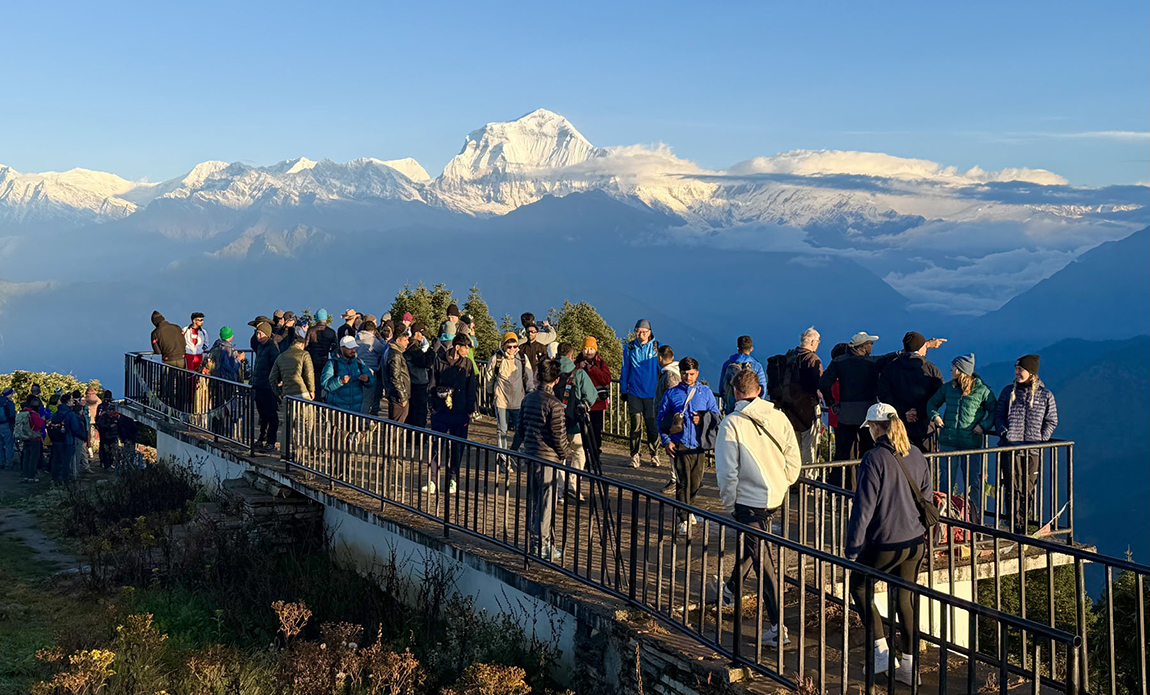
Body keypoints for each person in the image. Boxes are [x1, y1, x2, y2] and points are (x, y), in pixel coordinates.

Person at [709, 367, 800, 647]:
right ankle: (730, 590)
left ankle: (777, 628)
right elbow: (793, 459)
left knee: (764, 562)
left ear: (735, 392)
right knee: (755, 547)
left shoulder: (732, 423)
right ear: (759, 390)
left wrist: (729, 502)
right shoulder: (778, 417)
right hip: (773, 497)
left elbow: (726, 471)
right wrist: (782, 482)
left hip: (748, 501)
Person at [845, 402, 930, 685]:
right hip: (915, 541)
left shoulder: (873, 458)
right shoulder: (916, 454)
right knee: (904, 598)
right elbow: (927, 500)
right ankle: (908, 666)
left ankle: (880, 651)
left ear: (875, 427)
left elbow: (864, 509)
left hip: (884, 542)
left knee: (859, 585)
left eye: (869, 427)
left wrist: (853, 549)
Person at [819, 332, 899, 487]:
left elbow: (824, 382)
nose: (872, 346)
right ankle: (866, 487)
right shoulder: (871, 363)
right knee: (868, 452)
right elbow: (885, 358)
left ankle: (838, 488)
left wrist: (831, 403)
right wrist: (900, 353)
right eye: (870, 344)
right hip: (867, 415)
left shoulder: (839, 362)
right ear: (863, 346)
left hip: (846, 414)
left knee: (843, 453)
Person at [993, 354, 1058, 534]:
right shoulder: (1008, 392)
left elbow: (1052, 420)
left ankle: (1023, 524)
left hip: (1032, 450)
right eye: (1016, 369)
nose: (1016, 373)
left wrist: (1041, 439)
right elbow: (998, 414)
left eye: (1020, 370)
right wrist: (1004, 433)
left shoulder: (1045, 395)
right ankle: (1013, 524)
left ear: (1031, 372)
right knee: (1011, 486)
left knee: (1028, 488)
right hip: (1011, 447)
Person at [927, 354, 997, 521]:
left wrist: (984, 425)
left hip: (970, 443)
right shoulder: (948, 388)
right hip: (948, 441)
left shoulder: (982, 391)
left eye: (954, 367)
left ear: (962, 370)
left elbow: (994, 411)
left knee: (973, 482)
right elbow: (932, 403)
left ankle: (974, 520)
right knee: (946, 482)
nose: (951, 370)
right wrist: (935, 416)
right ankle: (946, 519)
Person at [656, 357, 721, 535]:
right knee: (683, 482)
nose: (688, 377)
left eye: (691, 374)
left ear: (697, 373)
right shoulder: (671, 394)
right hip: (680, 443)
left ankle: (688, 507)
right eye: (684, 373)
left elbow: (716, 416)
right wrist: (666, 440)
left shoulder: (705, 392)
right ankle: (683, 518)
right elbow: (661, 418)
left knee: (696, 482)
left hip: (699, 444)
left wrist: (702, 417)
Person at [515, 358, 568, 562]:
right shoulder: (555, 405)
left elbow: (520, 428)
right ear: (555, 380)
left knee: (535, 501)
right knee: (547, 503)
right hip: (548, 459)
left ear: (537, 376)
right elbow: (558, 436)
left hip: (530, 454)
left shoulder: (527, 399)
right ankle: (543, 545)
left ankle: (535, 541)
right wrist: (564, 454)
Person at [876, 332, 946, 452]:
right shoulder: (930, 369)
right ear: (921, 348)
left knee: (900, 459)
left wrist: (903, 412)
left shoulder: (890, 369)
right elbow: (939, 396)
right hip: (924, 427)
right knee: (924, 461)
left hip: (898, 425)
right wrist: (920, 411)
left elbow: (884, 395)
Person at [425, 335, 477, 494]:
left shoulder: (467, 364)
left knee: (457, 447)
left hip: (460, 413)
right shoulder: (439, 361)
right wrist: (434, 404)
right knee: (436, 446)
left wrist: (469, 410)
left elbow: (472, 388)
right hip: (441, 411)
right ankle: (433, 480)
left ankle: (452, 478)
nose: (468, 351)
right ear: (457, 347)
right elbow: (432, 384)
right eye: (465, 347)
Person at [769, 327, 824, 465]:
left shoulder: (790, 357)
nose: (818, 344)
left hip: (788, 409)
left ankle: (794, 480)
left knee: (793, 446)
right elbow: (818, 384)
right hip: (807, 410)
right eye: (818, 341)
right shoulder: (812, 359)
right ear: (812, 342)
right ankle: (809, 483)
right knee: (809, 447)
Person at [554, 342, 598, 500]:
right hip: (572, 421)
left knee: (558, 455)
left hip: (554, 421)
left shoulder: (550, 370)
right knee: (579, 453)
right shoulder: (578, 373)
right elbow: (592, 395)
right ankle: (572, 484)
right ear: (571, 356)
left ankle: (558, 489)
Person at [621, 319, 661, 469]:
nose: (641, 334)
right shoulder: (629, 348)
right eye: (638, 331)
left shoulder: (657, 348)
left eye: (644, 332)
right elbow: (625, 369)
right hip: (635, 393)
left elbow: (662, 370)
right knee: (635, 426)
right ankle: (634, 455)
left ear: (650, 332)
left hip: (652, 394)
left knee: (652, 426)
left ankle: (654, 454)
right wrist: (624, 390)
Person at [486, 332, 535, 454]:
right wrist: (491, 394)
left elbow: (529, 377)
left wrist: (530, 392)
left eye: (515, 346)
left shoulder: (522, 358)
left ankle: (512, 451)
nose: (512, 349)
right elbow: (489, 379)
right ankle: (503, 456)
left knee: (521, 430)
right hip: (501, 400)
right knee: (502, 430)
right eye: (509, 346)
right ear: (503, 346)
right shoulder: (496, 359)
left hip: (519, 401)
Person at [270, 331, 315, 448]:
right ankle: (309, 447)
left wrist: (279, 393)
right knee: (308, 422)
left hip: (288, 394)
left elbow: (272, 377)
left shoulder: (281, 356)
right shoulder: (304, 354)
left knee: (288, 425)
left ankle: (285, 452)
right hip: (303, 393)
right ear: (302, 345)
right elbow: (309, 373)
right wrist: (312, 390)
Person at [574, 337, 612, 460]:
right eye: (586, 349)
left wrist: (593, 369)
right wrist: (579, 368)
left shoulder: (601, 364)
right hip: (581, 404)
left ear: (595, 350)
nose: (588, 351)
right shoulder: (577, 363)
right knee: (583, 432)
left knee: (596, 431)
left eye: (591, 349)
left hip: (597, 404)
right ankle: (584, 456)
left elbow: (606, 379)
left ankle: (595, 455)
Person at [322, 336, 375, 414]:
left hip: (356, 410)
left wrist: (367, 380)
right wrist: (340, 381)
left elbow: (372, 381)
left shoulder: (359, 363)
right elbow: (325, 384)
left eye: (354, 348)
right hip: (337, 409)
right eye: (350, 348)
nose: (353, 351)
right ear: (342, 348)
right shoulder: (332, 363)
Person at [653, 344, 681, 489]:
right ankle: (678, 477)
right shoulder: (676, 371)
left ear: (660, 357)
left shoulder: (669, 375)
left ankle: (675, 479)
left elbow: (672, 396)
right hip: (673, 418)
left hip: (670, 418)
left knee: (671, 448)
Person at [250, 322, 280, 452]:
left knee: (271, 414)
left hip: (268, 386)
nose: (258, 335)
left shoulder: (272, 348)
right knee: (262, 415)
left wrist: (276, 382)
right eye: (257, 333)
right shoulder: (261, 347)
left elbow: (276, 367)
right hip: (258, 384)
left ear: (267, 334)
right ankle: (262, 438)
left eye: (260, 333)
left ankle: (271, 441)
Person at [719, 336, 768, 413]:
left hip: (732, 407)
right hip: (751, 407)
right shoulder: (757, 366)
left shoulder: (727, 364)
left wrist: (728, 401)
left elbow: (722, 388)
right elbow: (763, 388)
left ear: (738, 348)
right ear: (751, 349)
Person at [48, 392, 87, 483]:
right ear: (68, 402)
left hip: (56, 439)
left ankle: (54, 478)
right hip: (67, 440)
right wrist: (83, 436)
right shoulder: (70, 414)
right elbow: (75, 428)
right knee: (66, 461)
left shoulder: (57, 413)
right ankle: (65, 480)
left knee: (56, 460)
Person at [405, 322, 434, 429]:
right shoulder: (414, 347)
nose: (423, 337)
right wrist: (432, 352)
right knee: (419, 412)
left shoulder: (411, 346)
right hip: (418, 383)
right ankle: (418, 437)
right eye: (421, 334)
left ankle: (411, 435)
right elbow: (425, 362)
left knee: (412, 412)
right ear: (416, 333)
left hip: (413, 382)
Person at [383, 324, 412, 423]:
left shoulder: (393, 351)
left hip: (396, 395)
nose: (407, 342)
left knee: (396, 425)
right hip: (397, 397)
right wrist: (402, 397)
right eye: (405, 340)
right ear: (398, 340)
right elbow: (395, 377)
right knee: (396, 426)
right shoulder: (395, 355)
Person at [356, 320, 386, 414]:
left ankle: (354, 420)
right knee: (367, 398)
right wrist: (380, 338)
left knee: (358, 397)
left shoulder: (356, 337)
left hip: (357, 368)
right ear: (373, 330)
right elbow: (383, 349)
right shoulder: (373, 340)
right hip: (370, 369)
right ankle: (363, 421)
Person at [15, 397, 46, 481]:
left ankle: (25, 475)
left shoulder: (24, 412)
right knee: (33, 457)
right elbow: (39, 425)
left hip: (25, 437)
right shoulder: (34, 414)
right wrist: (42, 420)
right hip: (34, 437)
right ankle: (31, 476)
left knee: (26, 456)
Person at [306, 309, 338, 387]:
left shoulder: (311, 330)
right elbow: (335, 347)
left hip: (312, 359)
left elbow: (306, 345)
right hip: (325, 358)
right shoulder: (331, 332)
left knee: (313, 381)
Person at [94, 394, 121, 470]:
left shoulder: (115, 416)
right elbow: (101, 424)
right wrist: (109, 427)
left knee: (111, 450)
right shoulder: (104, 416)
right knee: (106, 450)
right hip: (106, 435)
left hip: (112, 436)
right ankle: (106, 464)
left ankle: (110, 463)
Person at [0, 388, 15, 469]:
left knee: (0, 444)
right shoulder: (9, 402)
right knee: (9, 444)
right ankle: (8, 463)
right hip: (6, 424)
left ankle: (1, 462)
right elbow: (12, 415)